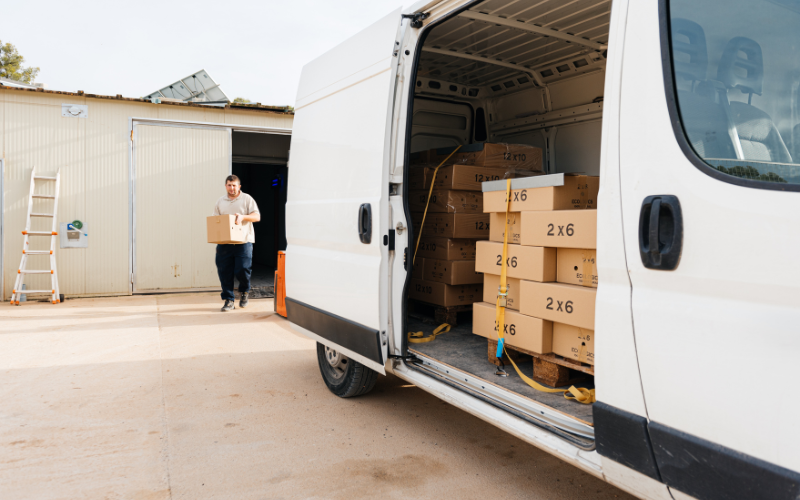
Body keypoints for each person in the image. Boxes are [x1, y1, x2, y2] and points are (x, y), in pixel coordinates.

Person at [213, 175, 260, 311]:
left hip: (243, 241)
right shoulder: (220, 201)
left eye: (234, 185)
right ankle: (229, 300)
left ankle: (244, 291)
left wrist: (243, 216)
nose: (232, 188)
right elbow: (216, 221)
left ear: (239, 186)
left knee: (242, 269)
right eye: (229, 185)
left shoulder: (247, 199)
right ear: (226, 186)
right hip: (225, 243)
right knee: (224, 271)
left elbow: (257, 216)